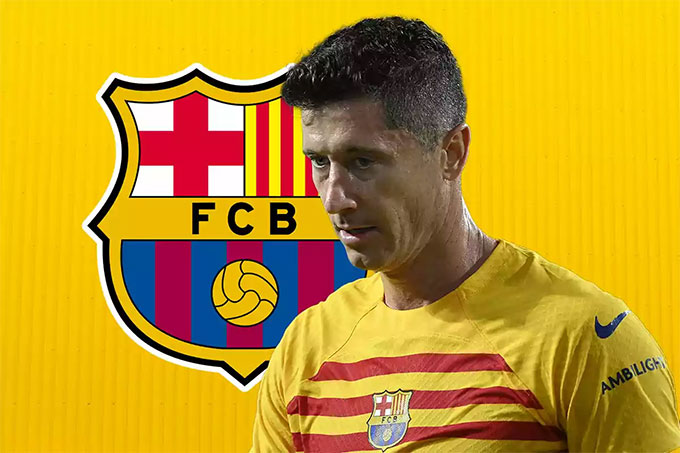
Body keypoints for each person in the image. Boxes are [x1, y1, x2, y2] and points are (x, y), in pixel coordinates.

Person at [251, 16, 680, 452]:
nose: (333, 198)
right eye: (320, 163)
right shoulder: (305, 348)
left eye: (363, 161)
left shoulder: (585, 339)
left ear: (451, 153)